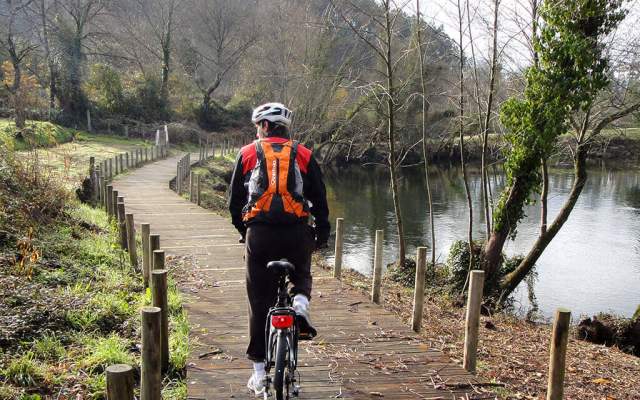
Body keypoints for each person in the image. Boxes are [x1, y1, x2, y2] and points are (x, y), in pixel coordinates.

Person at [228, 102, 330, 396]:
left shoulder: (247, 153)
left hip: (260, 236)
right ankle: (300, 303)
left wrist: (244, 230)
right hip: (296, 233)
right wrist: (321, 235)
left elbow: (234, 203)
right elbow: (320, 202)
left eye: (257, 127)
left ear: (263, 126)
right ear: (286, 128)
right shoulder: (305, 154)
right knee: (301, 273)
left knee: (258, 300)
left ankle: (259, 374)